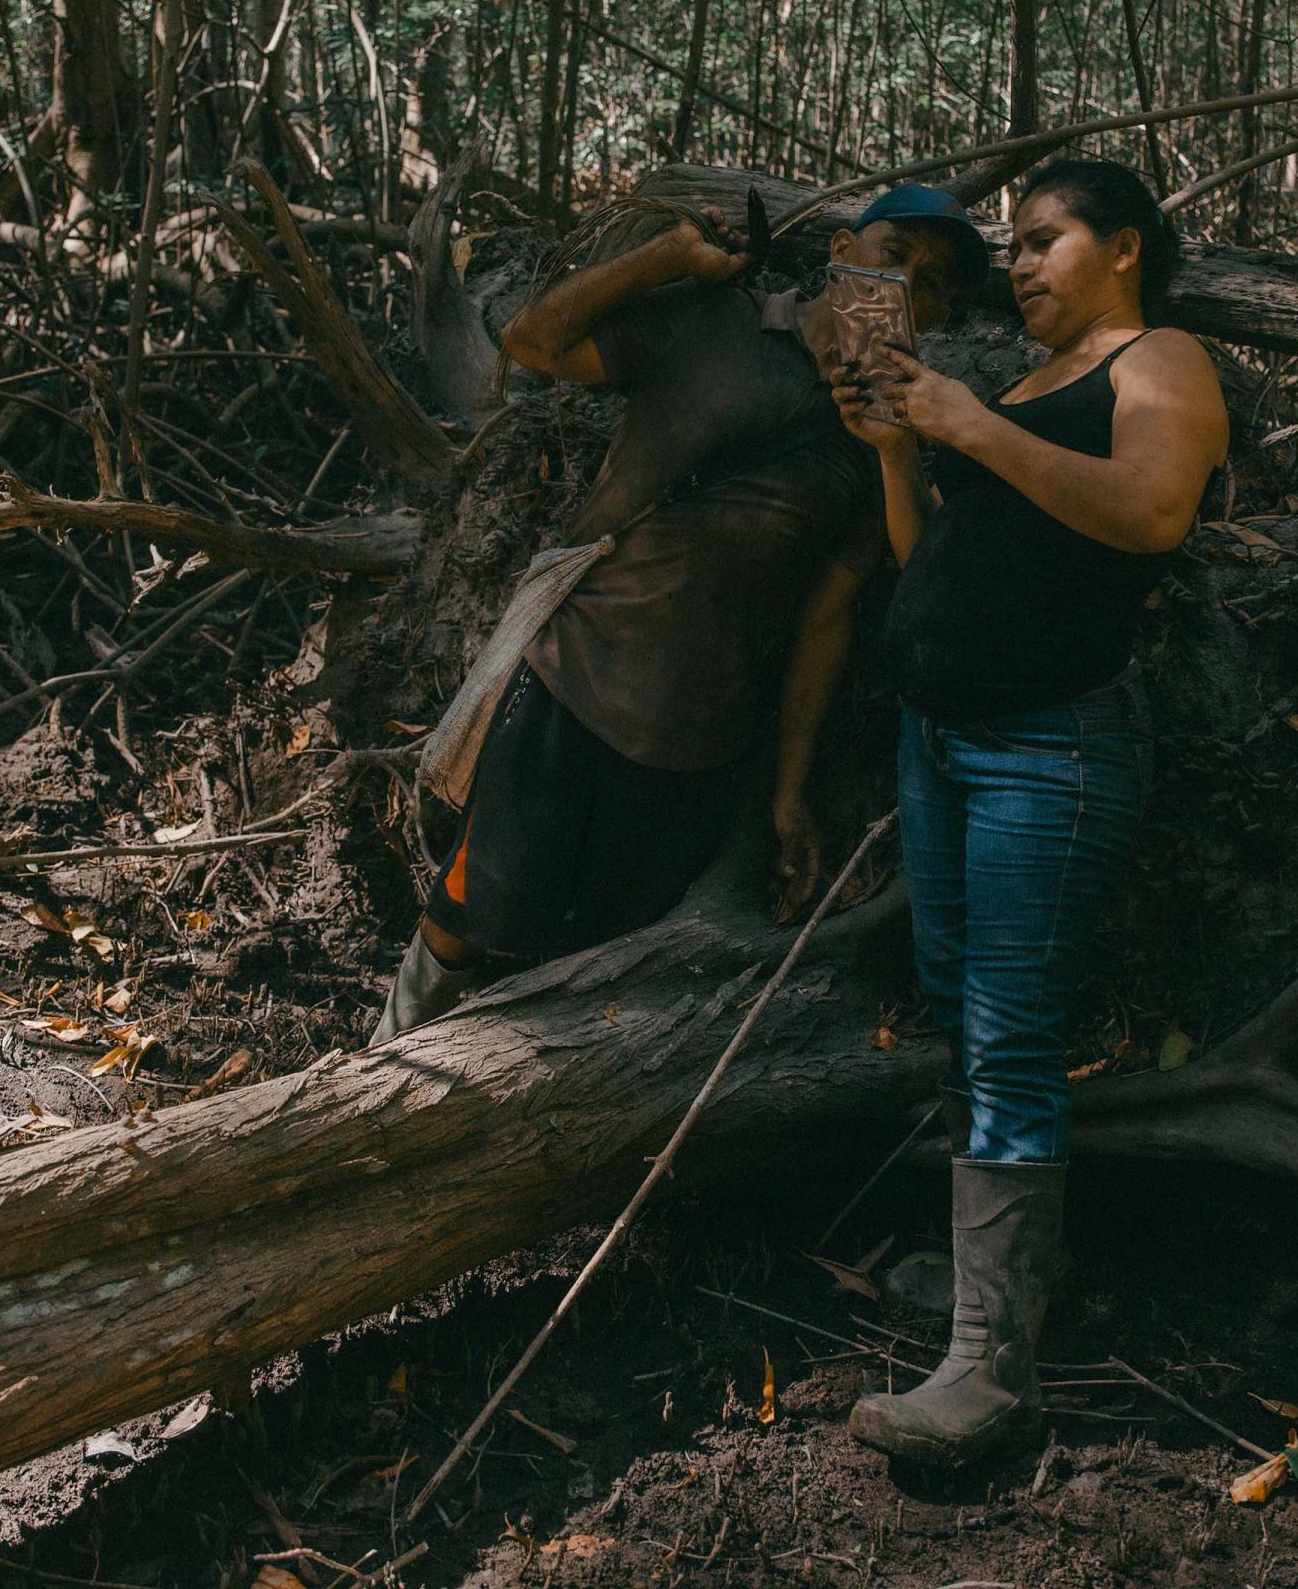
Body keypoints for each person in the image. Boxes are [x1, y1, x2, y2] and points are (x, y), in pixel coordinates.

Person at [370, 187, 990, 1041]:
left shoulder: (884, 438)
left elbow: (828, 618)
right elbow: (529, 342)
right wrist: (667, 257)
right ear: (842, 248)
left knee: (603, 965)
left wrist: (789, 787)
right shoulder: (714, 321)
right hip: (572, 681)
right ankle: (382, 1071)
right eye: (892, 255)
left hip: (703, 741)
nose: (904, 285)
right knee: (467, 916)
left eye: (930, 284)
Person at [830, 158, 1229, 1466]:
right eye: (1013, 249)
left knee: (1010, 1034)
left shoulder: (1159, 361)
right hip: (942, 742)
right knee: (963, 1007)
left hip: (1048, 749)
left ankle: (992, 1378)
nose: (1021, 265)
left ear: (1125, 247)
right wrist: (902, 448)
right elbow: (924, 559)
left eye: (1047, 242)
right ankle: (989, 1290)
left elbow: (1156, 511)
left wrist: (968, 428)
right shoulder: (1018, 389)